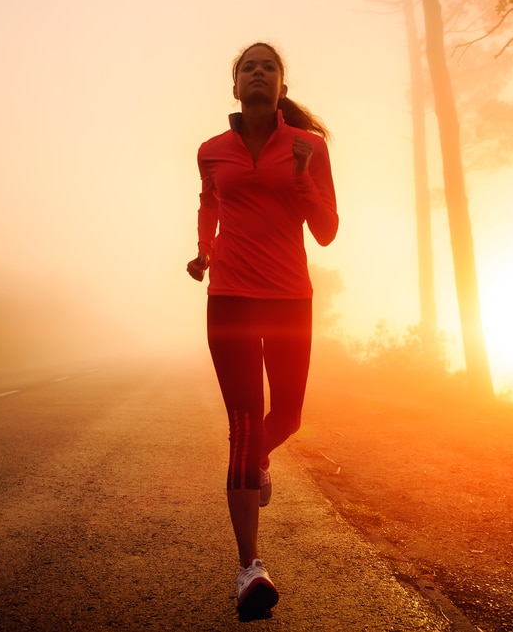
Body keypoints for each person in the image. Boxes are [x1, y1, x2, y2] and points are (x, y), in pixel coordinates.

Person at [186, 41, 338, 620]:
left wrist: (301, 179)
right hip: (228, 298)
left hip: (289, 299)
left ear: (280, 85)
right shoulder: (211, 151)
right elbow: (208, 206)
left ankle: (256, 465)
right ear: (235, 87)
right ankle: (250, 568)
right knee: (245, 427)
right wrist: (203, 251)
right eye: (247, 67)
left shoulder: (310, 147)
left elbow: (326, 230)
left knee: (289, 417)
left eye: (267, 67)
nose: (257, 73)